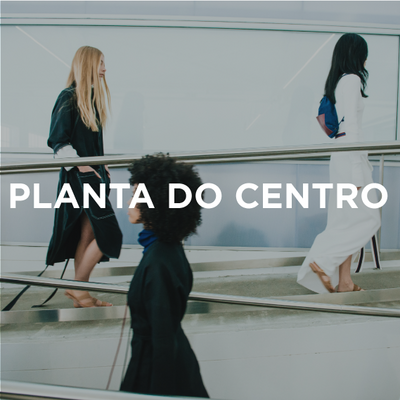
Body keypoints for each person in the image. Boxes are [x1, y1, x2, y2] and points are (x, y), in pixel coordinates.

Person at [297, 33, 381, 293]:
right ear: (356, 54)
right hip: (351, 157)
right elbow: (352, 127)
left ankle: (345, 281)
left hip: (342, 155)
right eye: (364, 54)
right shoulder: (352, 80)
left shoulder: (339, 81)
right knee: (369, 219)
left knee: (345, 221)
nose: (366, 59)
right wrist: (357, 174)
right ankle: (321, 261)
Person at [120, 154, 209, 398]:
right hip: (165, 363)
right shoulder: (167, 249)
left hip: (156, 372)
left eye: (135, 196)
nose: (128, 202)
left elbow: (162, 340)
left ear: (156, 203)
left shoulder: (159, 262)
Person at [47, 46, 122, 307]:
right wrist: (85, 167)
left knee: (88, 235)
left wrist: (103, 164)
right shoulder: (68, 97)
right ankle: (77, 288)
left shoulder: (90, 99)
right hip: (80, 181)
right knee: (108, 234)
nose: (104, 68)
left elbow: (89, 143)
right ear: (88, 64)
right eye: (101, 62)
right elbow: (58, 142)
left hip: (93, 179)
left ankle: (82, 292)